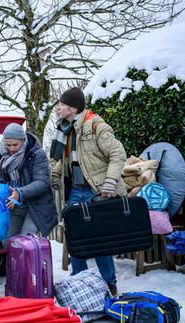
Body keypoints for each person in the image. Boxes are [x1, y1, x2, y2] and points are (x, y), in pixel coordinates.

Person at [50, 87, 127, 296]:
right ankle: (79, 283)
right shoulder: (64, 128)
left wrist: (110, 181)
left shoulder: (96, 126)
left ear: (73, 108)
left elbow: (118, 154)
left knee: (99, 239)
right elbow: (66, 158)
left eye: (62, 104)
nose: (58, 107)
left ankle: (109, 283)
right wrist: (56, 173)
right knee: (76, 238)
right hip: (75, 191)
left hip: (97, 190)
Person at [0, 123, 58, 246]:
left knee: (25, 241)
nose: (11, 149)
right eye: (8, 145)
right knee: (8, 242)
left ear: (23, 141)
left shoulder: (36, 154)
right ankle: (16, 265)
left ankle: (34, 265)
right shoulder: (2, 154)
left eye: (15, 145)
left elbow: (42, 182)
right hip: (14, 204)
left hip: (36, 205)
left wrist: (20, 193)